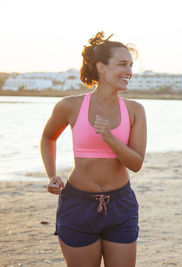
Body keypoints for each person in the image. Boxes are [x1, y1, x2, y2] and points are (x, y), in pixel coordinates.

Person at [40, 31, 147, 267]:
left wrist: (110, 138)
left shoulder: (135, 110)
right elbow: (48, 137)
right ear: (101, 67)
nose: (129, 71)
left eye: (130, 65)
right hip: (78, 205)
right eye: (122, 64)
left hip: (121, 205)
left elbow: (136, 163)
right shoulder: (69, 106)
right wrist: (51, 174)